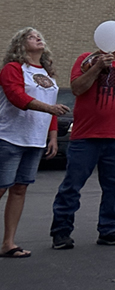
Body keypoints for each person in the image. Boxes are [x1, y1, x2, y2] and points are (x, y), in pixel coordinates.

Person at [50, 47, 115, 250]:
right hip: (85, 137)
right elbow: (77, 88)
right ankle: (61, 232)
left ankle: (109, 230)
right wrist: (97, 68)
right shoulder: (85, 60)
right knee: (72, 185)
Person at [0, 28, 69, 258]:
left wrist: (52, 136)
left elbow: (51, 105)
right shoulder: (13, 69)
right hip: (9, 137)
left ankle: (8, 243)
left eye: (39, 36)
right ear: (20, 44)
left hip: (34, 140)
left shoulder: (48, 74)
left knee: (19, 189)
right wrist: (50, 108)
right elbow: (16, 97)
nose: (38, 38)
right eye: (31, 36)